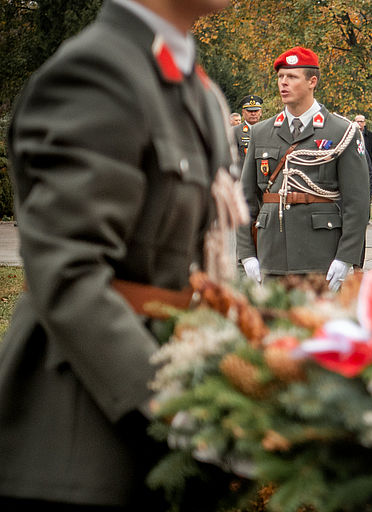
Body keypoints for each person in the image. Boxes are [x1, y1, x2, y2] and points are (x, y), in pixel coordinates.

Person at [0, 0, 240, 509]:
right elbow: (67, 271)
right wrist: (177, 407)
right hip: (85, 435)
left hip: (161, 421)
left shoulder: (188, 82)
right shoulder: (98, 71)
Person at [236, 46, 369, 290]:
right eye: (280, 77)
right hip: (271, 255)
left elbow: (357, 203)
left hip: (320, 256)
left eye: (292, 77)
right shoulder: (262, 132)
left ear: (312, 81)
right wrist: (246, 254)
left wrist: (345, 257)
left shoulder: (341, 131)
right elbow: (246, 199)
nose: (283, 83)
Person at [233, 93, 263, 160]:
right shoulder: (235, 131)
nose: (253, 113)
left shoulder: (267, 130)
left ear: (260, 112)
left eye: (256, 111)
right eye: (250, 111)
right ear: (243, 112)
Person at [354, 114, 372, 195]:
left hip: (367, 165)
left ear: (364, 123)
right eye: (357, 121)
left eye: (361, 121)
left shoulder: (371, 136)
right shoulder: (349, 136)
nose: (359, 123)